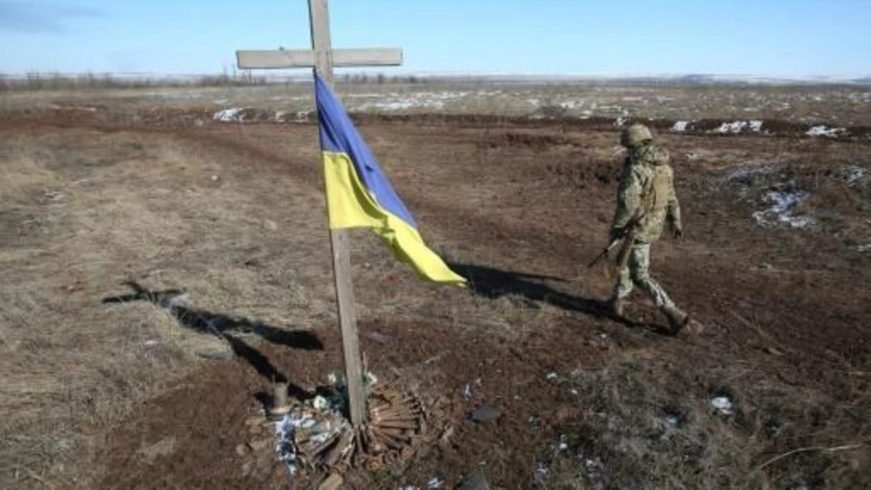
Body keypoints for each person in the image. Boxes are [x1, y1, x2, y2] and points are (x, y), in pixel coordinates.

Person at [607, 123, 690, 333]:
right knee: (624, 261)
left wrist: (617, 229)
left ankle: (673, 312)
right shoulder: (664, 167)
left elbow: (627, 203)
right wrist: (676, 220)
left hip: (636, 227)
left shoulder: (636, 169)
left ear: (631, 145)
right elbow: (671, 197)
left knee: (639, 274)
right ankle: (617, 301)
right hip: (654, 225)